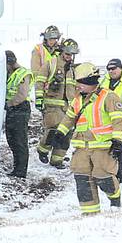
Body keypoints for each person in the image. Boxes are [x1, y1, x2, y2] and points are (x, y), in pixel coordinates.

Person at [52, 62, 122, 214]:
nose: (77, 86)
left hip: (103, 147)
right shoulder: (78, 99)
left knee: (103, 177)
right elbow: (69, 118)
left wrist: (118, 141)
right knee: (82, 178)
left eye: (79, 83)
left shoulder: (109, 97)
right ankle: (90, 213)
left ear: (89, 82)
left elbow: (119, 120)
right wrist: (59, 133)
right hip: (82, 148)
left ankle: (115, 197)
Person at [36, 38, 79, 167]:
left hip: (68, 107)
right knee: (52, 131)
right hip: (52, 106)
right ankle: (42, 150)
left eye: (71, 55)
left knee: (66, 134)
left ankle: (57, 160)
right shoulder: (51, 64)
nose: (69, 57)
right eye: (67, 54)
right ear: (62, 52)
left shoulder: (73, 69)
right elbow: (40, 81)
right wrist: (39, 99)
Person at [4, 50, 33, 178]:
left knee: (19, 140)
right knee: (11, 139)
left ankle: (21, 171)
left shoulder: (23, 74)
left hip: (20, 109)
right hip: (12, 109)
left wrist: (8, 104)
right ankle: (17, 167)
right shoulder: (10, 73)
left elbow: (21, 95)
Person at [31, 25, 63, 110]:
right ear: (45, 38)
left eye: (55, 39)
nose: (52, 41)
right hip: (44, 85)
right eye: (50, 39)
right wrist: (40, 89)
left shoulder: (61, 50)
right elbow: (36, 71)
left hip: (58, 84)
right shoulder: (38, 50)